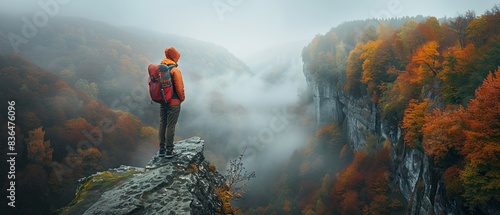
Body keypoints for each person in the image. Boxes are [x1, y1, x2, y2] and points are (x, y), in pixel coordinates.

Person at [158, 46, 185, 158]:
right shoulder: (175, 70)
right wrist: (181, 98)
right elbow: (179, 88)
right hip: (173, 103)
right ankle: (170, 150)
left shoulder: (159, 69)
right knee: (171, 125)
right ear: (174, 57)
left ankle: (161, 150)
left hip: (163, 101)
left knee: (162, 124)